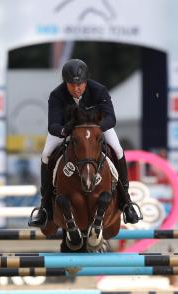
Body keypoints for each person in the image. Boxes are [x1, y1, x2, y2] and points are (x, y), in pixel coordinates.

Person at [28, 59, 141, 227]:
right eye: (72, 85)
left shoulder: (99, 91)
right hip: (69, 130)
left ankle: (126, 203)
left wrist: (96, 129)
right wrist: (66, 131)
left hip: (97, 129)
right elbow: (53, 126)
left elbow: (111, 118)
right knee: (46, 155)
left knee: (118, 150)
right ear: (65, 83)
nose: (76, 88)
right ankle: (44, 207)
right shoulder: (57, 95)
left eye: (80, 84)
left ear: (86, 81)